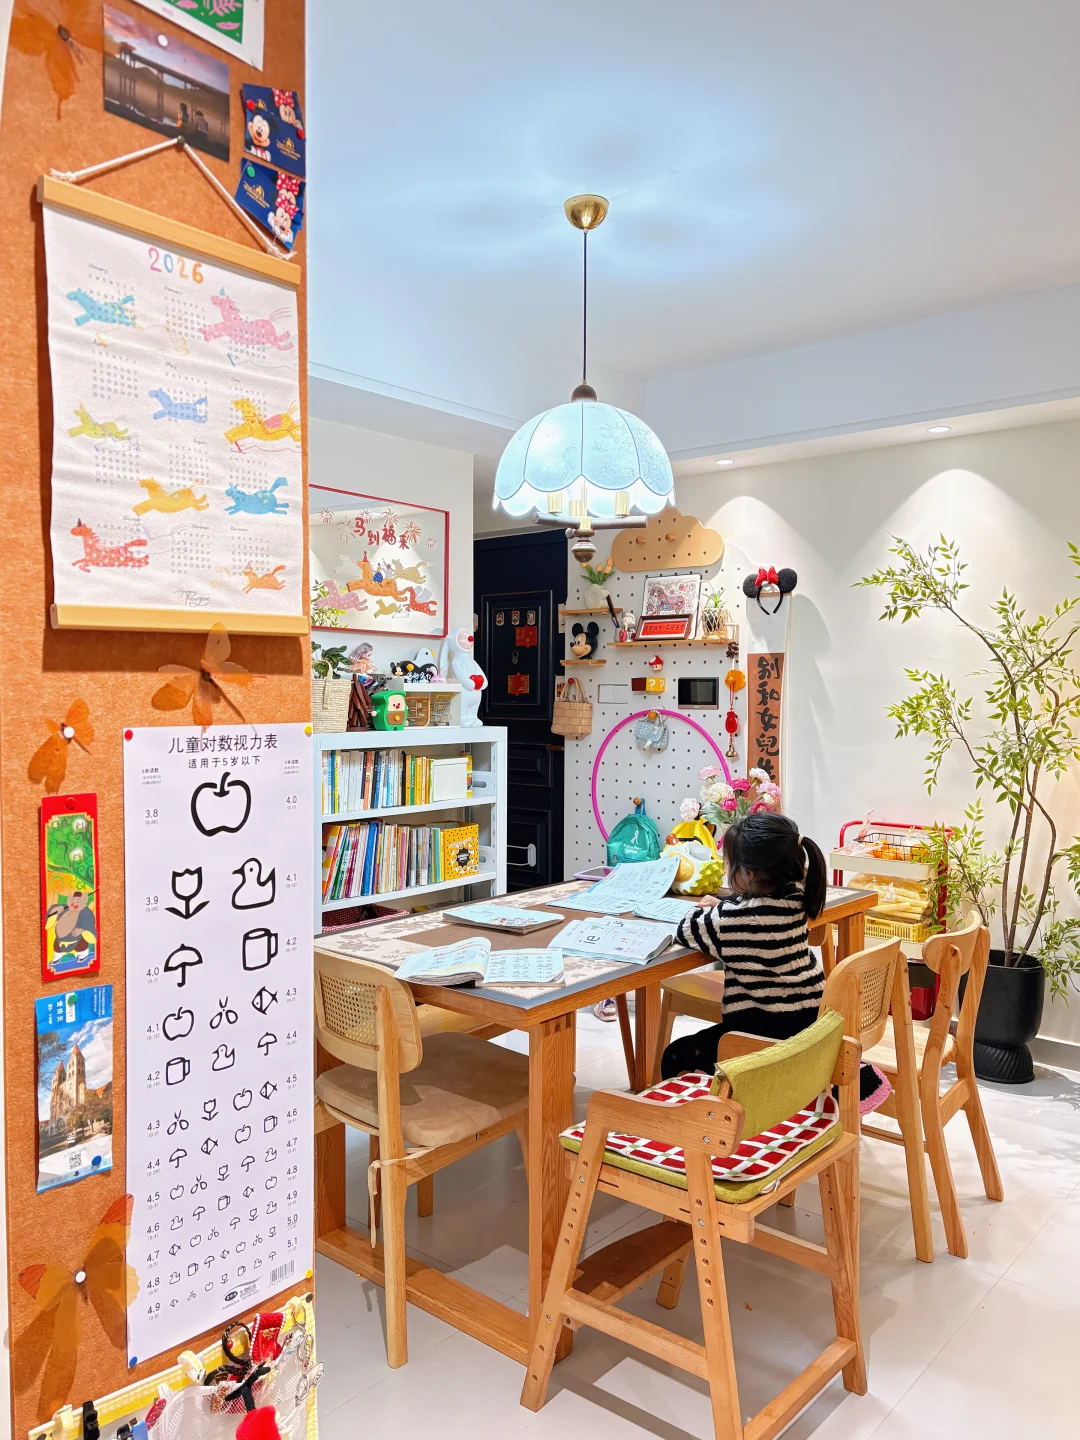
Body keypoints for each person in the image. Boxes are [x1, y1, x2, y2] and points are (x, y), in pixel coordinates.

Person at [660, 812, 891, 1112]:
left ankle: (709, 1120)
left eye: (730, 864)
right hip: (811, 1025)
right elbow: (754, 912)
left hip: (762, 1035)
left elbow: (686, 929)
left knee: (674, 1055)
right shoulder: (798, 899)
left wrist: (709, 908)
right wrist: (727, 906)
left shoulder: (731, 920)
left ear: (748, 874)